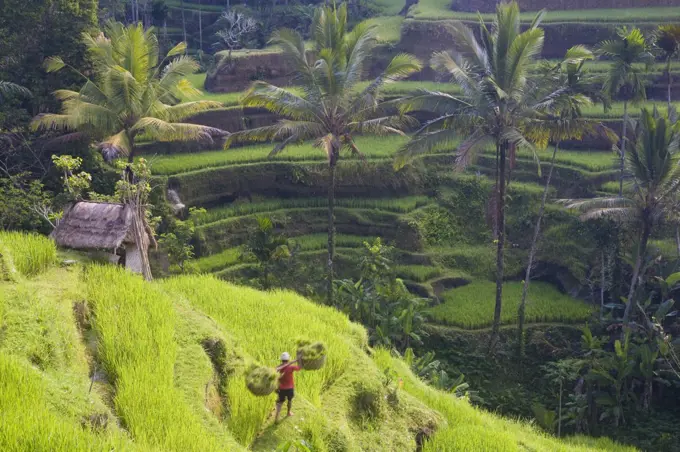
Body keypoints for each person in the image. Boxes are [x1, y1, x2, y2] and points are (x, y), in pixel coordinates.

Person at [275, 351, 301, 422]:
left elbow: (274, 373)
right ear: (288, 359)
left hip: (281, 388)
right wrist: (299, 360)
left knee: (280, 402)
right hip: (290, 388)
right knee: (289, 400)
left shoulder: (278, 367)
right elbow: (299, 368)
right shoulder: (291, 367)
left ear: (281, 359)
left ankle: (276, 417)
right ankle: (288, 412)